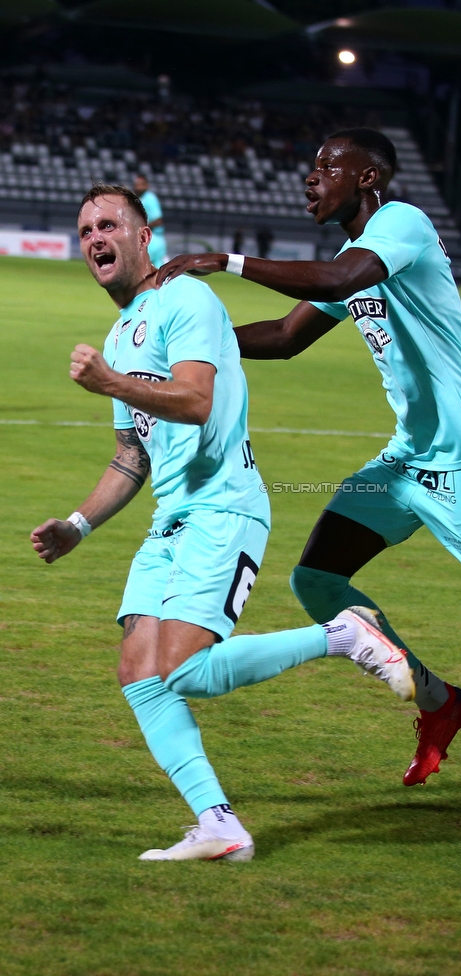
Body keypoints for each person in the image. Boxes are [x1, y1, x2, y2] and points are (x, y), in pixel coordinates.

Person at [158, 128, 461, 823]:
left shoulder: (401, 226)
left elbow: (343, 279)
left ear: (366, 179)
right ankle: (439, 702)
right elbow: (284, 337)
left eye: (328, 167)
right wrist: (189, 348)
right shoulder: (351, 255)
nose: (311, 177)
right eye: (311, 165)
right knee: (317, 579)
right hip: (406, 460)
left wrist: (226, 259)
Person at [30, 182, 419, 862]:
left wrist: (112, 384)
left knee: (181, 671)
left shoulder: (186, 299)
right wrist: (78, 525)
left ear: (143, 234)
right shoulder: (123, 332)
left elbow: (196, 400)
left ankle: (342, 635)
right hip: (170, 520)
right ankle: (218, 824)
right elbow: (130, 457)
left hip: (224, 508)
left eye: (110, 224)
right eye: (86, 227)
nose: (96, 237)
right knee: (137, 673)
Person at [134, 174, 168, 268]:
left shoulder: (150, 198)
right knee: (158, 270)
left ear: (147, 185)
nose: (138, 186)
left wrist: (143, 227)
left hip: (153, 238)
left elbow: (158, 220)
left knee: (141, 266)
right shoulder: (139, 198)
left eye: (141, 184)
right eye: (136, 184)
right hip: (150, 237)